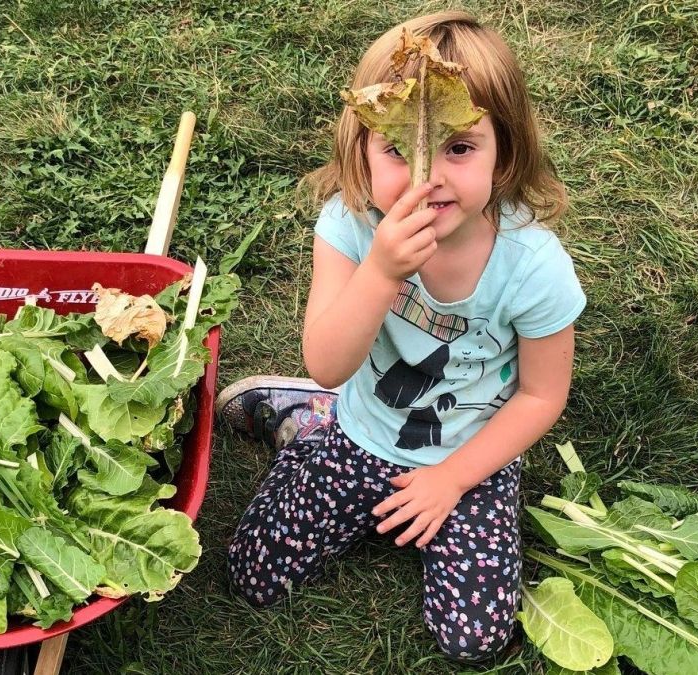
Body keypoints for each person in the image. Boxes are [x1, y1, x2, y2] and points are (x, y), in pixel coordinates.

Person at [219, 10, 586, 662]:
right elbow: (330, 360)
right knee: (253, 573)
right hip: (360, 425)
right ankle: (307, 414)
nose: (428, 177)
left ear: (505, 154)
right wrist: (382, 269)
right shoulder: (352, 226)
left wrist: (451, 478)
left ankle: (320, 425)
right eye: (398, 149)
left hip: (469, 458)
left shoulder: (534, 267)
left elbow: (540, 396)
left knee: (474, 639)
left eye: (460, 147)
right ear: (360, 146)